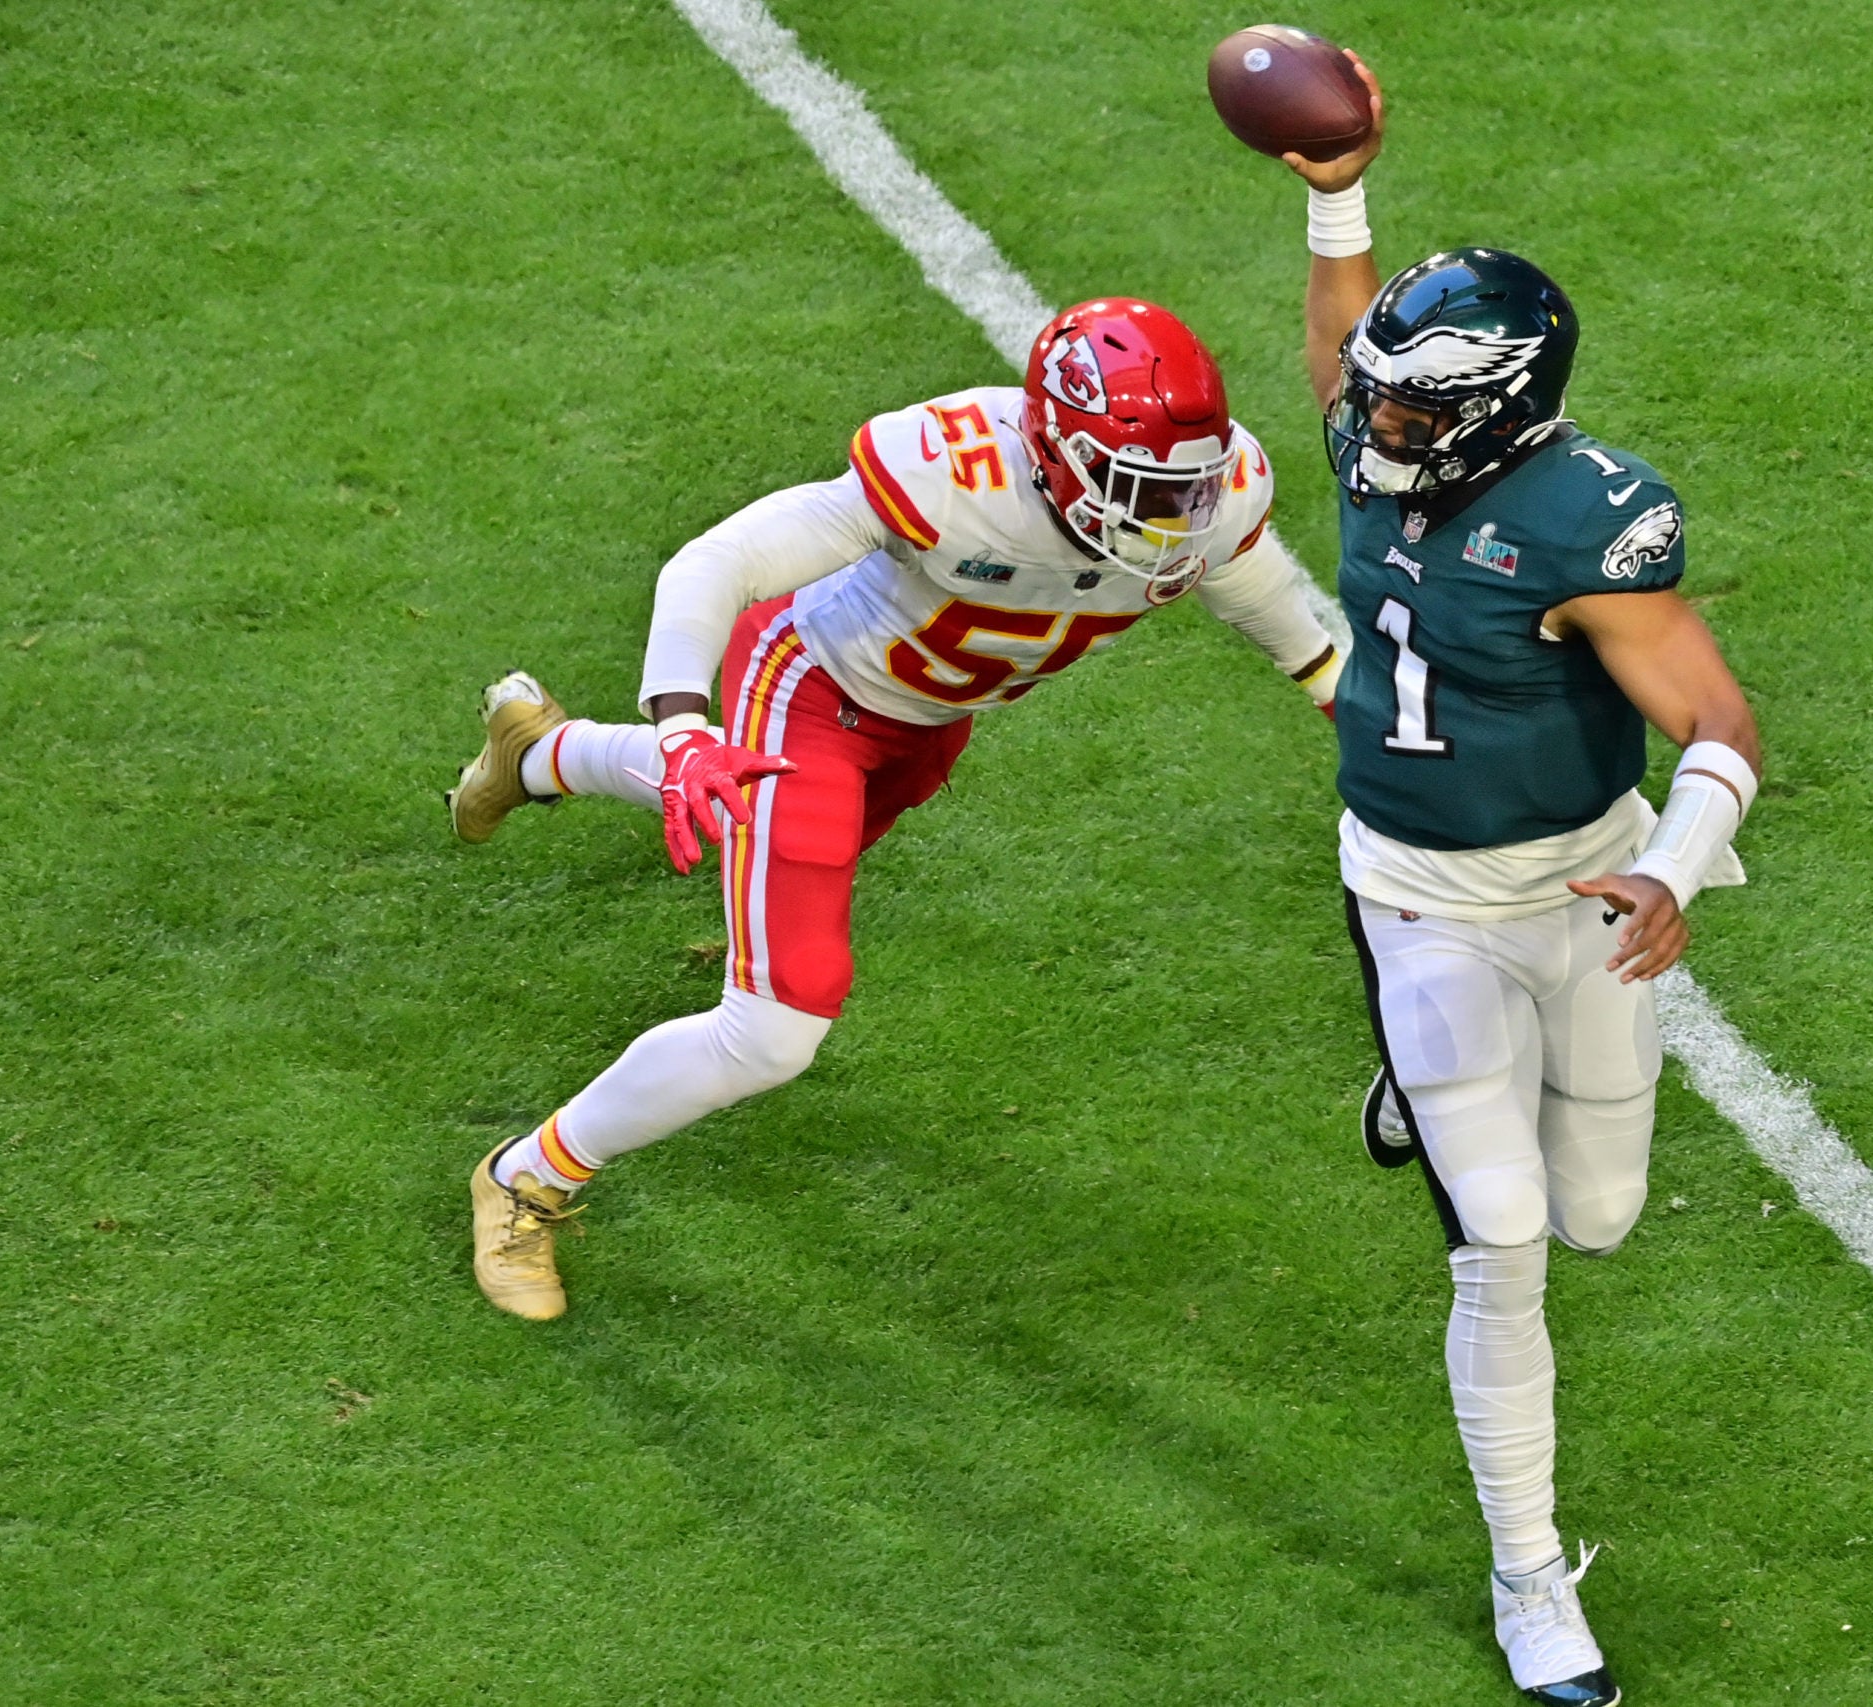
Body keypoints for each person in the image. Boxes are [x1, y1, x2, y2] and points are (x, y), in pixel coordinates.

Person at [445, 298, 1342, 1321]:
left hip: (927, 724)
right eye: (1142, 489)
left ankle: (539, 751)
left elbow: (1247, 576)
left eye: (1188, 489)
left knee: (740, 812)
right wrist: (690, 722)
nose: (1170, 519)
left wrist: (1335, 688)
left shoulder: (1204, 497)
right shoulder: (953, 471)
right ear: (1051, 452)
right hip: (815, 692)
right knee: (776, 1024)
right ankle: (526, 1177)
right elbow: (718, 563)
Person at [1269, 57, 1762, 1707]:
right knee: (1509, 1238)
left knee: (1606, 1213)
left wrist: (1680, 864)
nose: (1375, 421)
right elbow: (1343, 331)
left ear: (1503, 412)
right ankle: (1530, 1579)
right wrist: (1339, 183)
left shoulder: (1586, 522)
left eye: (1414, 409)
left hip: (1588, 886)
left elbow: (1719, 715)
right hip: (1417, 893)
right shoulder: (1373, 423)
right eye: (1381, 399)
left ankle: (1414, 1090)